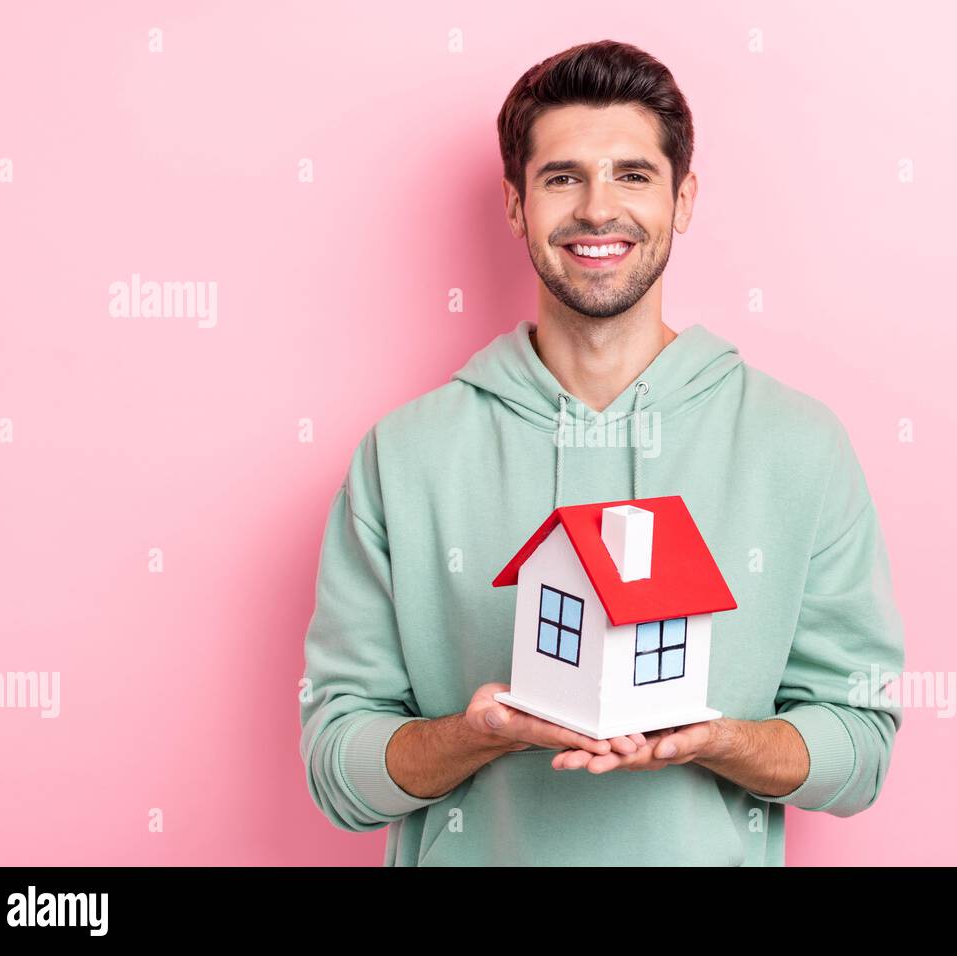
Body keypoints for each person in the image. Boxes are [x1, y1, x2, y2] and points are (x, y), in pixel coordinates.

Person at [299, 39, 905, 866]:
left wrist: (718, 739)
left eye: (632, 174)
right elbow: (339, 773)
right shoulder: (402, 455)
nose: (596, 209)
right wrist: (474, 737)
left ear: (682, 198)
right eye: (562, 177)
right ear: (516, 207)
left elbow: (860, 752)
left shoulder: (799, 445)